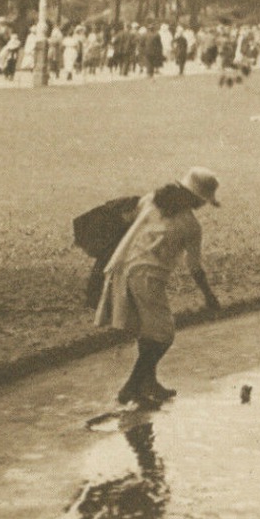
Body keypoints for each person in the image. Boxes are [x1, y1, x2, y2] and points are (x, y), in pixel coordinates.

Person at [96, 168, 222, 406]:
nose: (203, 206)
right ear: (196, 198)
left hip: (125, 267)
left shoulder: (152, 199)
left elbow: (130, 221)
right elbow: (194, 267)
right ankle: (131, 386)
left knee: (148, 330)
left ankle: (148, 382)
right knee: (164, 335)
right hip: (148, 277)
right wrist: (209, 296)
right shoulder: (191, 226)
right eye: (204, 201)